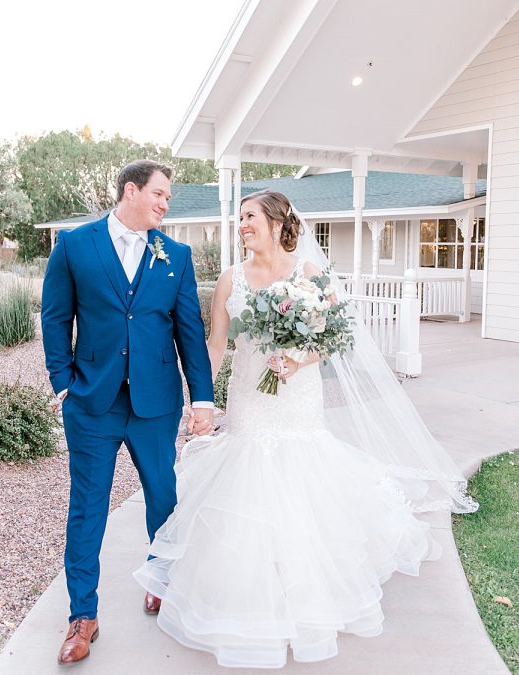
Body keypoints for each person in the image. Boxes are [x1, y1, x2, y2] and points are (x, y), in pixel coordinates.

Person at [134, 190, 478, 668]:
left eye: (250, 217)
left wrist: (299, 357)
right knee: (247, 481)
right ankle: (251, 590)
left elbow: (337, 337)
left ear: (277, 223)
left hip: (297, 396)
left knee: (299, 481)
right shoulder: (230, 280)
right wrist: (203, 401)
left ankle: (302, 592)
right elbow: (215, 346)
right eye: (240, 218)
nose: (242, 225)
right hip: (251, 396)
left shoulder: (311, 275)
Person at [42, 159, 215, 665]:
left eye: (168, 198)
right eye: (160, 194)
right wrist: (62, 385)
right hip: (91, 403)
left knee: (163, 498)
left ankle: (161, 582)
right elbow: (56, 318)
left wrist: (200, 397)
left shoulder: (176, 255)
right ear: (131, 191)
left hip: (155, 405)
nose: (165, 203)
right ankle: (82, 616)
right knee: (87, 509)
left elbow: (190, 334)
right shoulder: (75, 245)